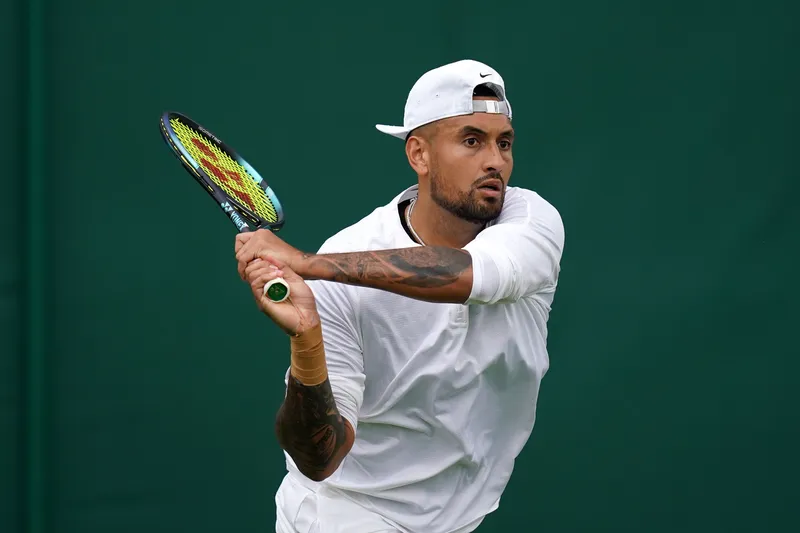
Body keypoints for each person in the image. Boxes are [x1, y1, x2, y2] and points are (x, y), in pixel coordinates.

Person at [234, 59, 565, 533]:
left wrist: (307, 263)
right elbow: (319, 458)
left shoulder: (532, 222)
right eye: (471, 140)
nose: (495, 160)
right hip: (345, 517)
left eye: (504, 142)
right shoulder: (341, 261)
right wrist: (306, 340)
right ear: (419, 154)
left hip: (456, 519)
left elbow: (468, 275)